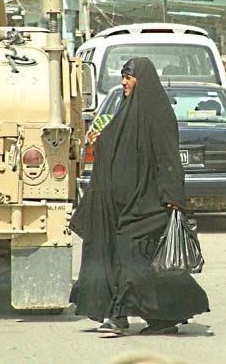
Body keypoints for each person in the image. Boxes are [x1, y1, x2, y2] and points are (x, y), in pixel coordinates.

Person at [70, 57, 209, 335]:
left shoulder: (158, 114)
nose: (123, 83)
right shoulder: (125, 112)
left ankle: (120, 314)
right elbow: (116, 142)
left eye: (129, 78)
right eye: (122, 77)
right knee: (137, 261)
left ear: (141, 80)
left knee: (129, 252)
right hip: (124, 202)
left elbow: (168, 158)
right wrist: (101, 140)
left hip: (151, 202)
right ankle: (162, 317)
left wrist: (173, 199)